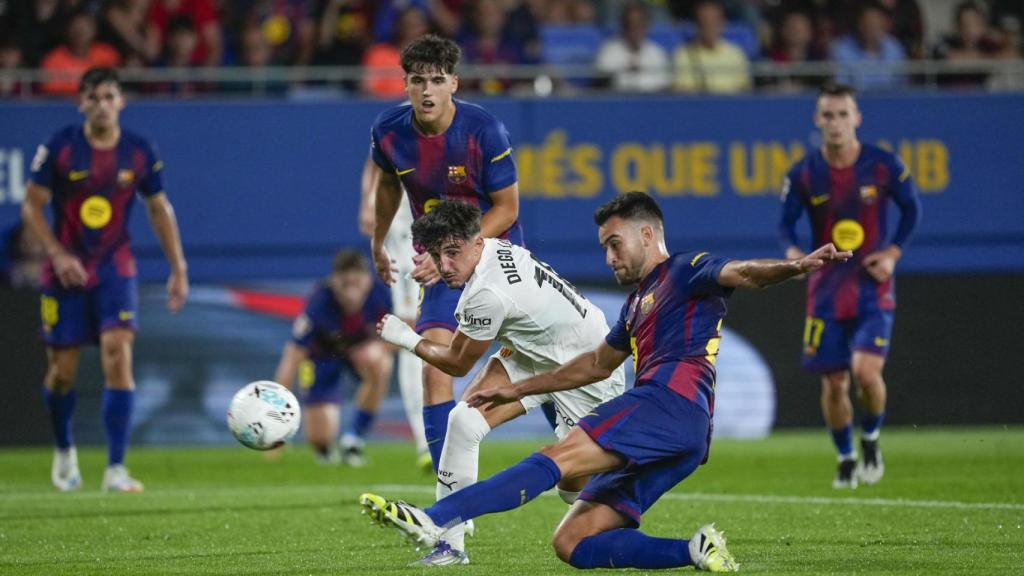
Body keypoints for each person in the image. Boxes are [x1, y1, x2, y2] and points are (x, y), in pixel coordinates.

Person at [359, 191, 852, 571]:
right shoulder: (637, 306)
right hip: (682, 438)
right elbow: (595, 366)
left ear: (647, 234)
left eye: (615, 244)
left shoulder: (684, 270)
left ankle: (436, 517)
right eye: (604, 248)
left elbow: (742, 272)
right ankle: (695, 551)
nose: (609, 257)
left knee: (558, 461)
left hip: (665, 402)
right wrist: (517, 389)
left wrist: (797, 267)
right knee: (571, 542)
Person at [375, 200, 625, 565]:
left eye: (452, 253)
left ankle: (613, 507)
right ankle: (450, 545)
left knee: (573, 486)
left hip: (586, 366)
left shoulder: (487, 295)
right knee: (463, 421)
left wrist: (405, 338)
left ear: (477, 242)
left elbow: (456, 364)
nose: (444, 266)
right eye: (436, 255)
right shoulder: (493, 250)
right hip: (536, 349)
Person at [22, 67, 189, 493]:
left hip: (115, 267)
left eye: (109, 96)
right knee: (62, 373)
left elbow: (158, 208)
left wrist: (178, 268)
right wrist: (57, 255)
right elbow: (32, 206)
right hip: (65, 271)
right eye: (93, 97)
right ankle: (64, 451)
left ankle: (116, 469)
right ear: (81, 103)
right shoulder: (60, 147)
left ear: (121, 102)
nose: (101, 104)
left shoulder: (137, 151)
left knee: (118, 351)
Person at [367, 34, 521, 475]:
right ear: (406, 86)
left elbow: (508, 209)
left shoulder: (483, 131)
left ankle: (576, 454)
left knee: (540, 364)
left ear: (454, 83)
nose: (427, 90)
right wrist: (378, 242)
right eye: (418, 81)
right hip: (442, 267)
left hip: (500, 255)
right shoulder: (389, 132)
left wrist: (451, 252)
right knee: (434, 365)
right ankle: (446, 491)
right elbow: (386, 188)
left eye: (437, 80)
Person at [779, 83, 922, 489]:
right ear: (817, 120)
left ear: (857, 118)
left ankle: (871, 439)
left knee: (865, 374)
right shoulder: (805, 173)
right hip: (825, 290)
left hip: (872, 287)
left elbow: (912, 208)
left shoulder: (883, 166)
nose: (836, 122)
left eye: (843, 114)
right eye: (828, 115)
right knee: (834, 382)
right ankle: (845, 456)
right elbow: (784, 224)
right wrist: (795, 256)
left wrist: (893, 252)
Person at [273, 249, 393, 465]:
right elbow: (292, 357)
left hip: (359, 351)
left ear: (367, 280)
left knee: (381, 362)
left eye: (356, 283)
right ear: (333, 281)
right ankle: (324, 449)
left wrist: (379, 346)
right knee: (320, 438)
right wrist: (276, 419)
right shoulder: (318, 303)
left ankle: (353, 439)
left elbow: (405, 334)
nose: (351, 292)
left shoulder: (380, 294)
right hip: (321, 357)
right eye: (345, 284)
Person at [358, 155, 431, 471]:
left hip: (448, 227)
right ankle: (425, 439)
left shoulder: (468, 123)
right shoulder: (402, 120)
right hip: (406, 228)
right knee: (414, 330)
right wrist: (368, 201)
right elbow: (375, 161)